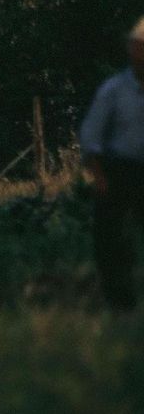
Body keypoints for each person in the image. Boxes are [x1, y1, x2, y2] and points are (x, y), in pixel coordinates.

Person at [79, 15, 144, 311]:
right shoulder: (114, 90)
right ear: (131, 50)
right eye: (139, 47)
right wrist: (100, 177)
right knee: (113, 240)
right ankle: (120, 303)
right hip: (121, 171)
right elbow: (91, 135)